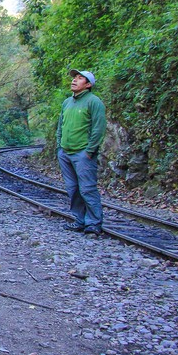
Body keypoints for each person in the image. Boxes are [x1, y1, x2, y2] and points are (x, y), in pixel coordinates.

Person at [56, 69, 106, 235]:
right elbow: (60, 126)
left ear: (88, 84)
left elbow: (98, 128)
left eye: (79, 78)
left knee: (87, 188)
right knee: (73, 189)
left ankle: (93, 223)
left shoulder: (94, 102)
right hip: (66, 152)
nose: (74, 80)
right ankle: (79, 220)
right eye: (74, 78)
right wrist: (59, 146)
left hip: (83, 153)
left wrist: (90, 150)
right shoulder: (67, 103)